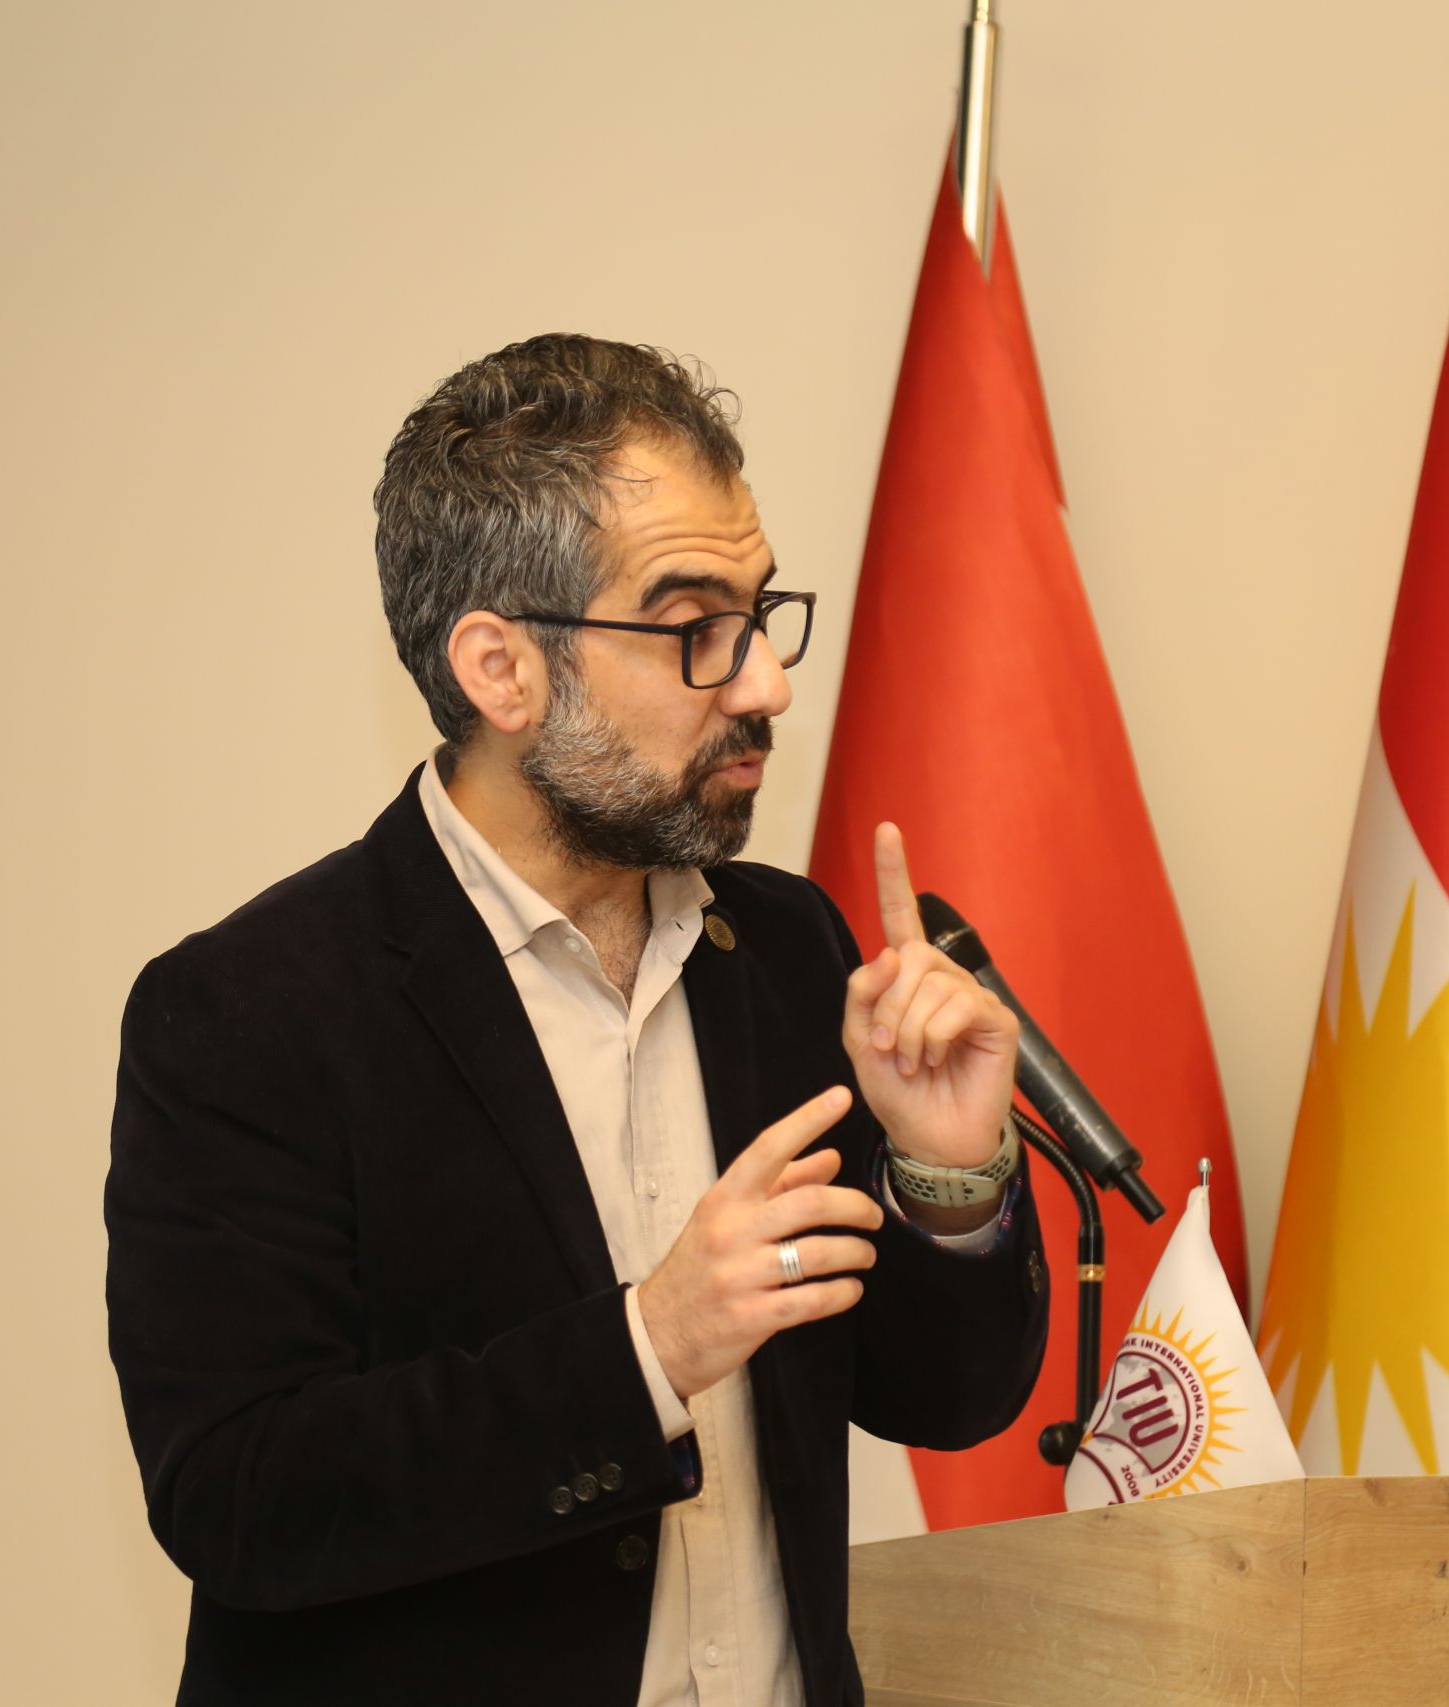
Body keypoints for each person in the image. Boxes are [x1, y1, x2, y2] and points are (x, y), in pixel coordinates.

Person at [107, 334, 1050, 1706]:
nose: (767, 685)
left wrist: (947, 1177)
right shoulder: (249, 1011)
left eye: (762, 614)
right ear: (501, 670)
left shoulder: (788, 950)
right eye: (694, 628)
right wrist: (647, 1349)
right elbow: (243, 1497)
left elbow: (943, 1400)